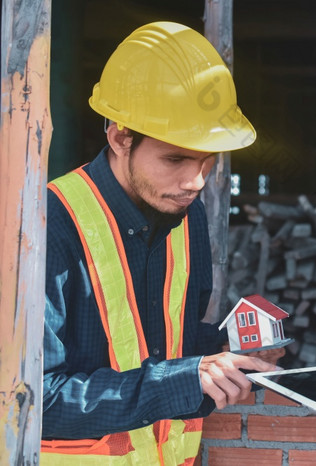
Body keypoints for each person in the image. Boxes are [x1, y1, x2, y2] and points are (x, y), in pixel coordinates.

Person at [42, 22, 279, 465]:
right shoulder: (46, 224)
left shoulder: (187, 216)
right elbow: (33, 400)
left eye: (208, 161)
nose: (194, 181)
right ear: (118, 137)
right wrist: (182, 378)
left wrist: (227, 349)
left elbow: (169, 349)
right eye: (175, 159)